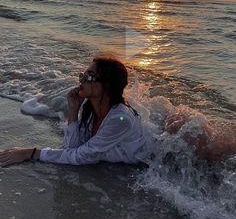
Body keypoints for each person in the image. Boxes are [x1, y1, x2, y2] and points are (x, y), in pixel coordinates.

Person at [0, 55, 147, 167]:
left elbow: (81, 157)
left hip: (144, 163)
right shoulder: (89, 108)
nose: (81, 80)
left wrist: (30, 153)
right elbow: (73, 147)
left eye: (89, 76)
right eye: (82, 75)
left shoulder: (120, 118)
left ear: (107, 85)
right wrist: (73, 109)